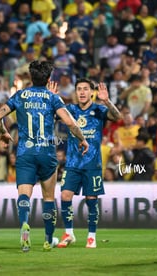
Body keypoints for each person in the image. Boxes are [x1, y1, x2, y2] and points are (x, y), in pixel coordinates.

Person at [0, 60, 89, 252]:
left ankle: (24, 227)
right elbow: (70, 123)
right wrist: (82, 139)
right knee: (48, 198)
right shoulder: (53, 98)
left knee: (23, 195)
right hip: (47, 153)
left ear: (30, 76)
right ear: (48, 78)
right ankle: (47, 239)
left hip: (25, 153)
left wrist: (3, 132)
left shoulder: (19, 95)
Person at [55, 79, 121, 249]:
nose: (82, 92)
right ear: (76, 92)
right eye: (79, 89)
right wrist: (52, 99)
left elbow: (117, 117)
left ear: (92, 92)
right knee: (64, 196)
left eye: (85, 89)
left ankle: (91, 237)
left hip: (93, 163)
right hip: (72, 162)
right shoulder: (70, 110)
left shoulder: (99, 109)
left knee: (91, 200)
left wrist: (106, 100)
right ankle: (69, 233)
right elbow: (52, 114)